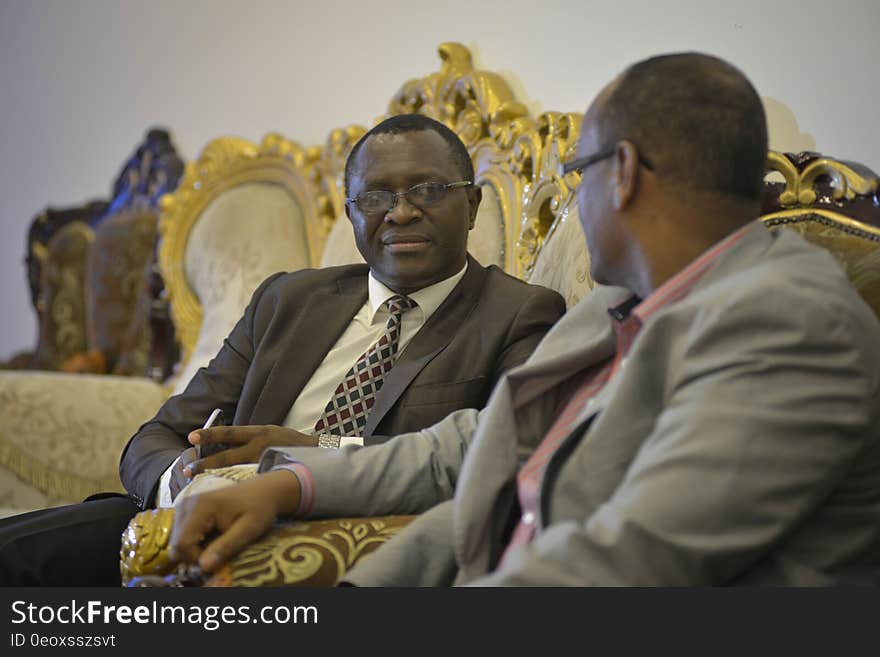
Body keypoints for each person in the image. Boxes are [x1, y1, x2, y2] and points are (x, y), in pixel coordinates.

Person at [168, 52, 880, 586]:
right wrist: (290, 482)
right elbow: (474, 448)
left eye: (576, 173)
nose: (573, 201)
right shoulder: (612, 306)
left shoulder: (791, 324)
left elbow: (631, 561)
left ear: (622, 172)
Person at [0, 114, 565, 586]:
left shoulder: (519, 313)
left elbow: (490, 453)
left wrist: (312, 449)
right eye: (376, 195)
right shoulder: (289, 299)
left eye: (428, 191)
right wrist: (185, 482)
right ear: (350, 214)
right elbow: (155, 436)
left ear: (470, 205)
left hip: (328, 537)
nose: (400, 212)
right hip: (183, 516)